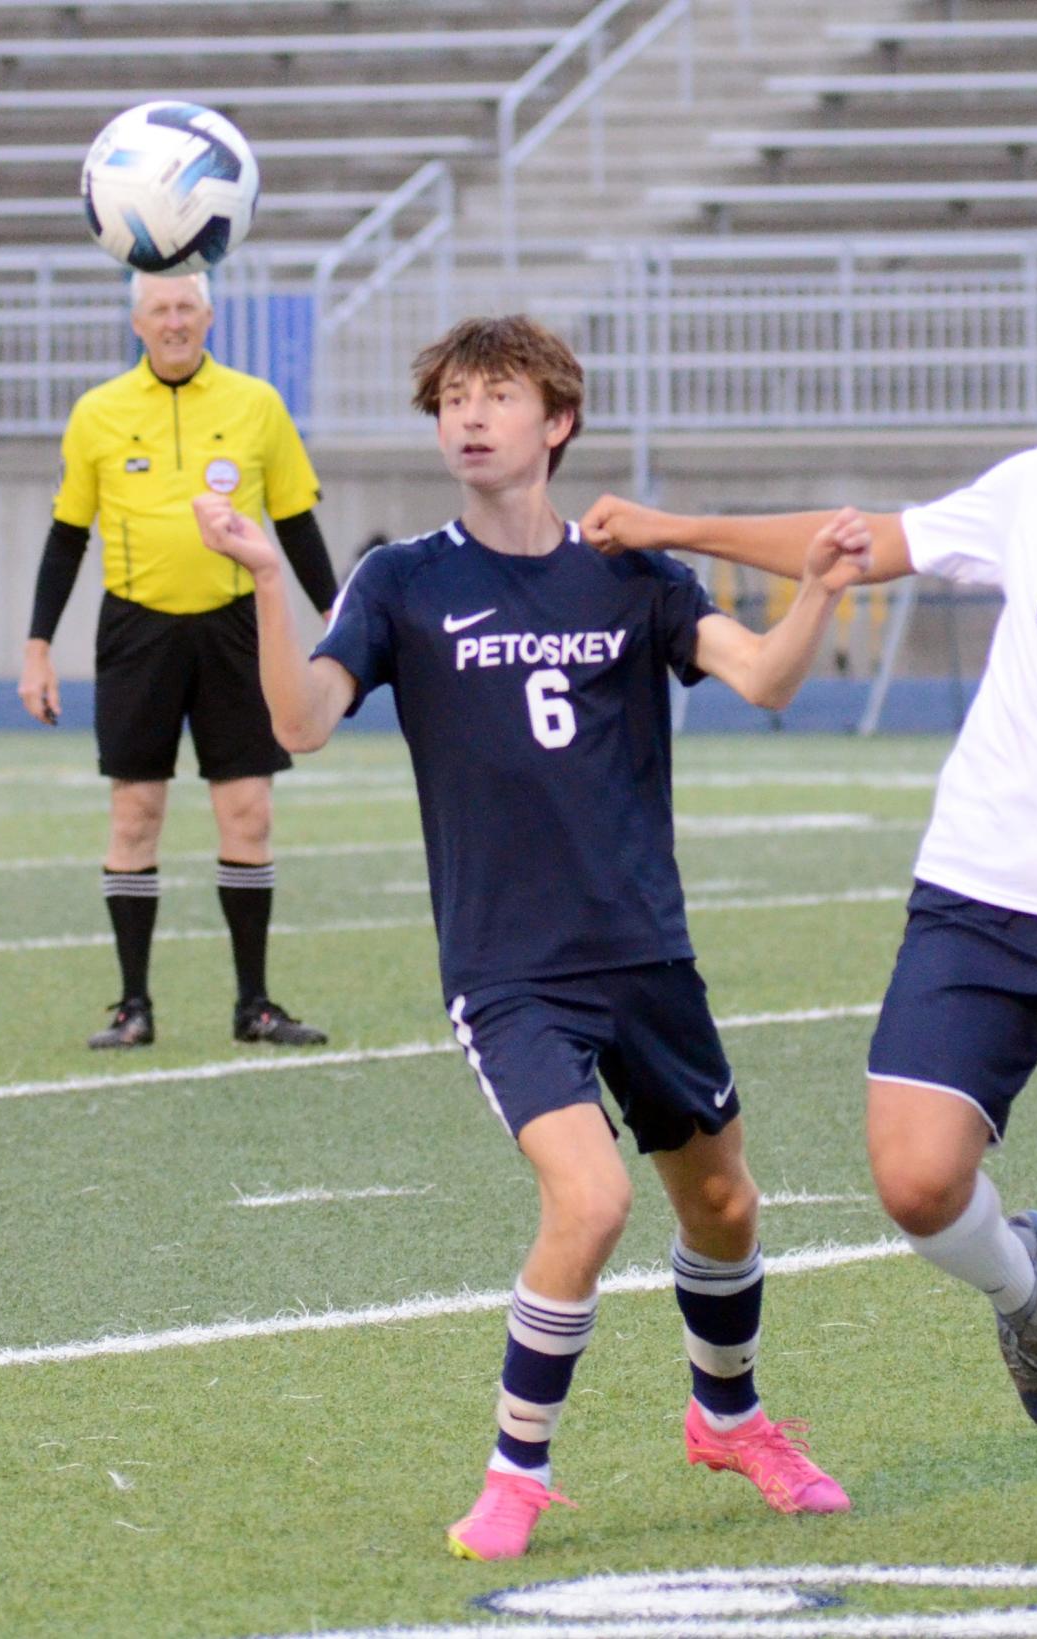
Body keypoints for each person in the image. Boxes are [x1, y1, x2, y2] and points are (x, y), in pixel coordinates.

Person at [192, 314, 866, 1562]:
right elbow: (300, 724)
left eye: (498, 395)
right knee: (593, 1197)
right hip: (512, 971)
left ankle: (732, 1418)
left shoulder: (633, 569)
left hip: (646, 953)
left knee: (722, 1204)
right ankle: (516, 1471)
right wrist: (263, 579)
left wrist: (818, 584)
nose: (469, 415)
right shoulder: (402, 578)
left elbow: (767, 680)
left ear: (557, 423)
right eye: (452, 396)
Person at [580, 456, 1037, 1436]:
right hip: (982, 890)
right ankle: (1023, 1289)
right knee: (917, 1180)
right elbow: (855, 544)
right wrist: (669, 524)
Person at [18, 270, 335, 1051]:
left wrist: (339, 618)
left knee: (250, 811)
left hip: (235, 630)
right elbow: (67, 536)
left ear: (210, 316)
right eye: (159, 308)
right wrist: (37, 648)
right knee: (135, 814)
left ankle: (255, 1005)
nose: (173, 320)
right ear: (136, 321)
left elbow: (294, 522)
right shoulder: (98, 412)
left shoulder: (256, 404)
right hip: (137, 631)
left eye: (186, 307)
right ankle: (133, 1005)